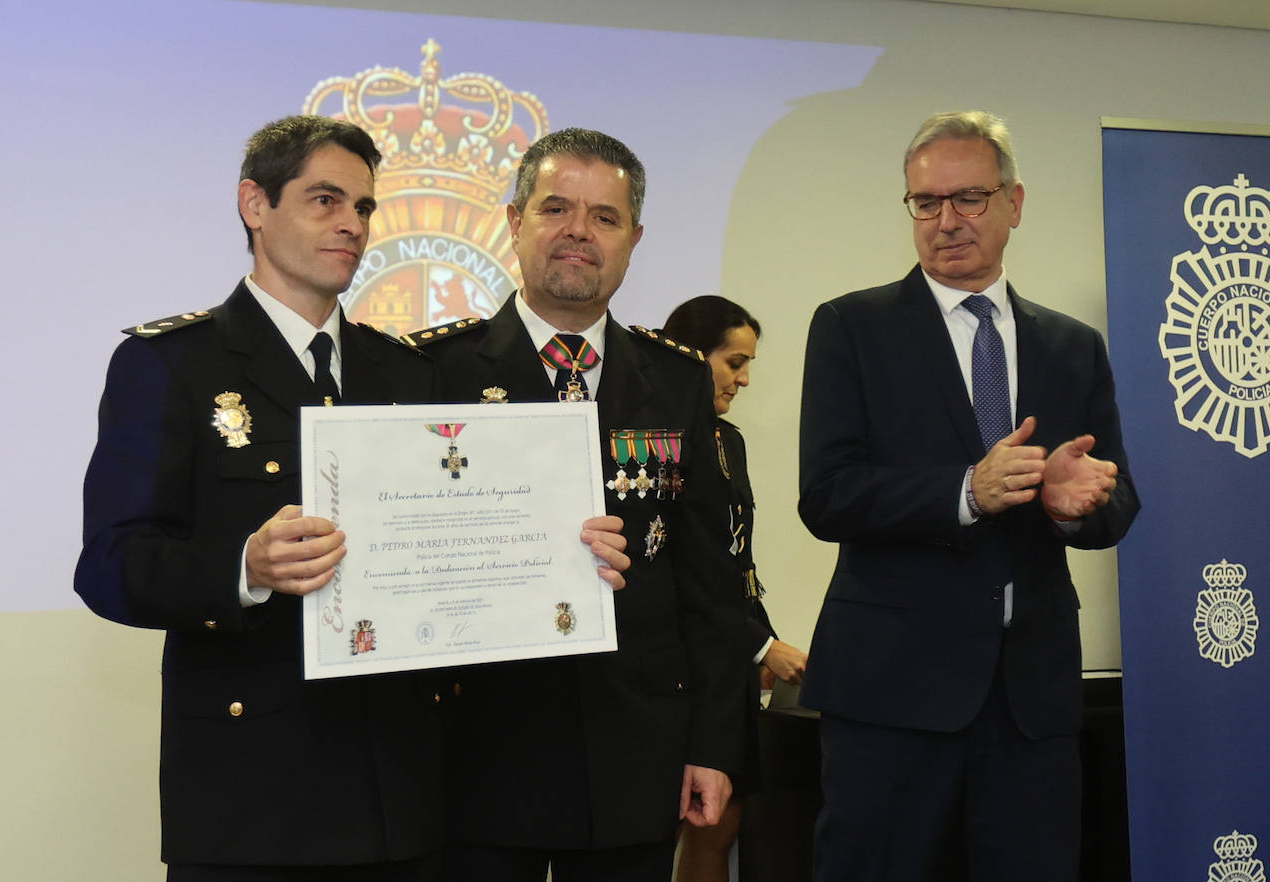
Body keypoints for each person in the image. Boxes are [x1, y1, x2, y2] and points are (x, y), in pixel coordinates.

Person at [73, 115, 629, 881]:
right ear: (254, 204)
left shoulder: (407, 373)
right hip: (251, 797)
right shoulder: (172, 365)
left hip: (403, 795)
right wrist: (244, 565)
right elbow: (109, 566)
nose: (351, 225)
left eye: (364, 208)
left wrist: (565, 554)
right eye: (325, 200)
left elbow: (467, 532)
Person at [797, 110, 1140, 882]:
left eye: (969, 199)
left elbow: (1117, 501)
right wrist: (965, 492)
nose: (946, 221)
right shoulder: (852, 327)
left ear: (1015, 203)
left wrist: (1066, 505)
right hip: (891, 697)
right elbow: (827, 495)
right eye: (926, 202)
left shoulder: (1071, 345)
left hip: (1032, 704)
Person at [402, 128, 747, 882]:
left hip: (638, 754)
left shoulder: (677, 380)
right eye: (556, 208)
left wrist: (714, 746)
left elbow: (712, 589)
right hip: (479, 755)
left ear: (634, 239)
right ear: (514, 220)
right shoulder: (432, 369)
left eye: (604, 217)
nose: (577, 233)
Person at [662, 295, 809, 882]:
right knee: (659, 831)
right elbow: (675, 570)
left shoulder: (730, 442)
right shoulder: (654, 442)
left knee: (720, 825)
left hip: (728, 671)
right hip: (674, 669)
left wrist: (764, 642)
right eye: (733, 362)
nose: (744, 378)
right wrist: (760, 645)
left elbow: (735, 566)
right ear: (692, 356)